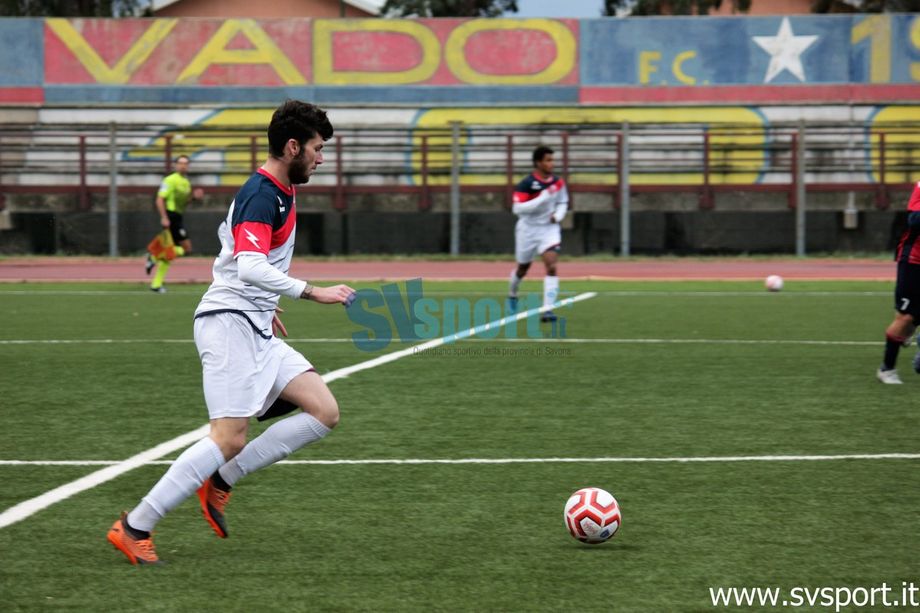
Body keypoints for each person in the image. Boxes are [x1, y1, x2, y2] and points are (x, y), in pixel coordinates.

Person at [108, 100, 356, 565]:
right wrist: (311, 291)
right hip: (228, 324)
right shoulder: (264, 194)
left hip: (253, 321)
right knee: (227, 435)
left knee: (323, 411)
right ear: (292, 146)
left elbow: (241, 261)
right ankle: (135, 525)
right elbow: (247, 264)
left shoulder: (280, 189)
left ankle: (221, 480)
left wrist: (269, 301)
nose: (321, 158)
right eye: (318, 149)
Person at [507, 145, 569, 322]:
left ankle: (548, 309)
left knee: (551, 265)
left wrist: (558, 215)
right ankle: (512, 293)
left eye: (553, 160)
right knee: (522, 268)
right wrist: (542, 196)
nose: (552, 163)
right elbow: (518, 209)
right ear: (538, 163)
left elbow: (563, 201)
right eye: (548, 160)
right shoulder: (526, 184)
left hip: (548, 230)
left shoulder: (558, 183)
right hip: (528, 230)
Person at [877, 181, 920, 384]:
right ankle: (887, 369)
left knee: (912, 318)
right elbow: (914, 220)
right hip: (914, 260)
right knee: (905, 318)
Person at [146, 154, 203, 293]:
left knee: (172, 252)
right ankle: (154, 265)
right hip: (171, 216)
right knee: (184, 249)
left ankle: (154, 267)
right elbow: (160, 199)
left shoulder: (186, 182)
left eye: (185, 163)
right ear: (176, 165)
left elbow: (184, 203)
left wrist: (194, 198)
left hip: (178, 217)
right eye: (180, 163)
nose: (183, 165)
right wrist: (164, 217)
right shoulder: (170, 180)